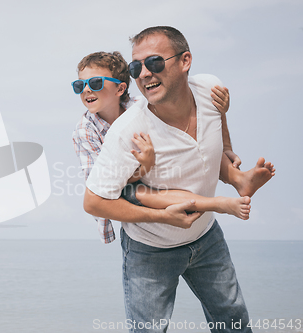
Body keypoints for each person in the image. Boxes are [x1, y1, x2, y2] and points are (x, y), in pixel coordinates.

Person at [82, 27, 275, 332]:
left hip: (207, 238)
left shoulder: (212, 90)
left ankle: (237, 184)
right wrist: (161, 216)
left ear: (185, 60)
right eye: (136, 68)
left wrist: (229, 154)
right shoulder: (126, 131)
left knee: (234, 323)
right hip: (149, 250)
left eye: (155, 63)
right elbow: (93, 202)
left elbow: (212, 134)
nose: (144, 73)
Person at [72, 51, 274, 243]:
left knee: (187, 138)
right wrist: (144, 167)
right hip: (126, 185)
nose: (86, 89)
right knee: (140, 191)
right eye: (79, 85)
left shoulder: (140, 107)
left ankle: (238, 178)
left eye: (95, 83)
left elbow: (185, 123)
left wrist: (222, 117)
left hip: (158, 167)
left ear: (120, 89)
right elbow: (102, 186)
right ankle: (218, 204)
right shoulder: (85, 131)